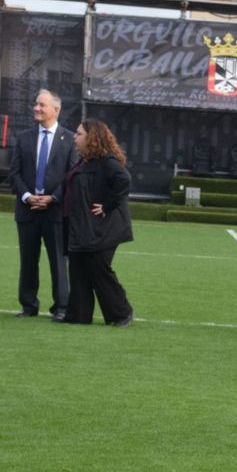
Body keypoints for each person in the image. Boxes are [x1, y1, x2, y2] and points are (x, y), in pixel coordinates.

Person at [60, 119, 134, 326]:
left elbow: (124, 180)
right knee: (78, 269)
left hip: (102, 229)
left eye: (79, 134)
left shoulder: (106, 161)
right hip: (82, 227)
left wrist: (107, 206)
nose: (75, 137)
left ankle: (121, 313)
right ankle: (78, 315)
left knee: (98, 269)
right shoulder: (85, 161)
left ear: (91, 138)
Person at [9, 89, 75, 320]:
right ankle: (28, 305)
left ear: (56, 110)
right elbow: (14, 173)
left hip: (55, 212)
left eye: (41, 105)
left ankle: (62, 307)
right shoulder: (23, 137)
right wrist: (27, 196)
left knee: (58, 261)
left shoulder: (70, 140)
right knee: (28, 260)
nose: (36, 108)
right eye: (36, 104)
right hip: (27, 210)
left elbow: (72, 176)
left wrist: (53, 198)